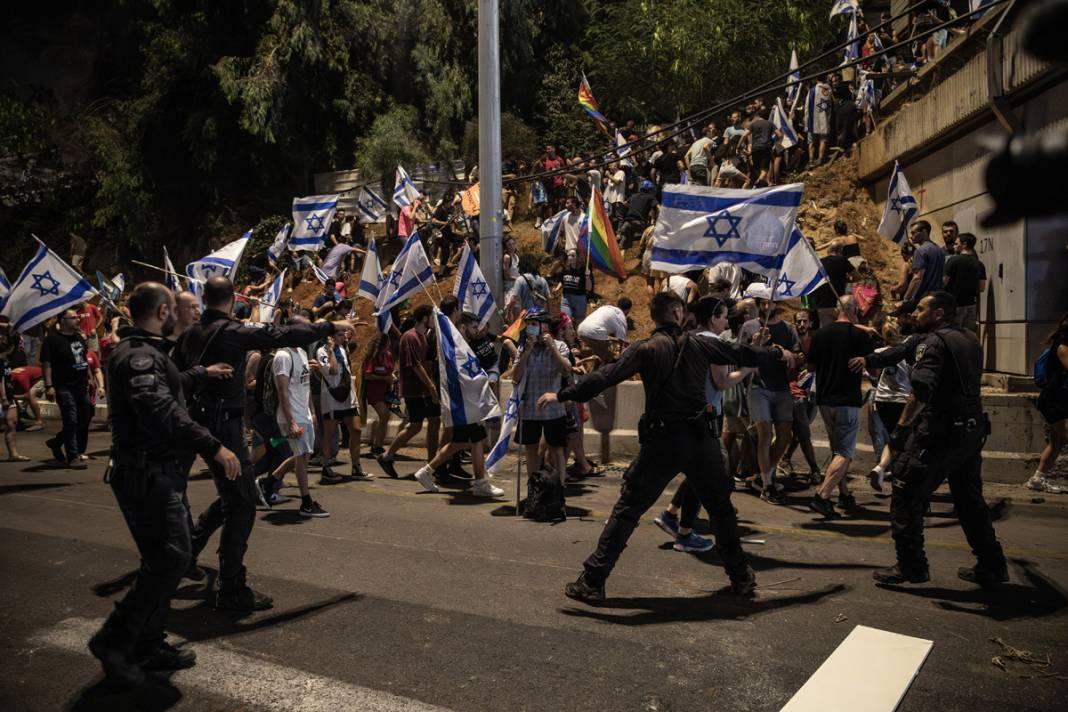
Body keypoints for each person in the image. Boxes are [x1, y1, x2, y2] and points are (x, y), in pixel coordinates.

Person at [544, 291, 794, 602]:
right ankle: (741, 577)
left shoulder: (646, 348)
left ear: (654, 317)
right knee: (721, 511)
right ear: (677, 312)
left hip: (664, 440)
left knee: (628, 511)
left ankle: (593, 580)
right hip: (702, 439)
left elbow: (607, 375)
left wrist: (565, 395)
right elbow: (741, 353)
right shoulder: (701, 343)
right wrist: (777, 355)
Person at [88, 282, 240, 687]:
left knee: (162, 558)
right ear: (160, 312)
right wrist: (215, 446)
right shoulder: (139, 355)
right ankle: (114, 639)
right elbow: (159, 407)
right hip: (146, 474)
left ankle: (148, 643)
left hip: (152, 472)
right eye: (174, 307)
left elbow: (165, 389)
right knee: (173, 557)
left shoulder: (149, 352)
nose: (181, 313)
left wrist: (196, 374)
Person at [176, 276, 354, 611]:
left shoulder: (190, 335)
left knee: (235, 495)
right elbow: (283, 334)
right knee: (242, 503)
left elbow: (175, 375)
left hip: (198, 423)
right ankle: (231, 588)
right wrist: (330, 324)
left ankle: (187, 553)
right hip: (223, 427)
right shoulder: (231, 332)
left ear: (205, 299)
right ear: (231, 299)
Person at [870, 292, 1008, 587]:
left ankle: (911, 567)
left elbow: (921, 389)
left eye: (921, 309)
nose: (915, 314)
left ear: (939, 313)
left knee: (906, 497)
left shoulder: (934, 343)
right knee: (970, 502)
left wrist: (902, 429)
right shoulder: (969, 338)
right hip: (970, 431)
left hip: (939, 433)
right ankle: (992, 565)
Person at [653, 296, 755, 553]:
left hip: (687, 413)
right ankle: (686, 533)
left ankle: (672, 514)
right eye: (722, 317)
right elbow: (721, 382)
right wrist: (747, 370)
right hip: (707, 415)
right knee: (711, 474)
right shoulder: (714, 343)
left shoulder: (688, 337)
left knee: (696, 470)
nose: (725, 321)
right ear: (713, 318)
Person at [805, 296, 878, 519]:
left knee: (838, 449)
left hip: (825, 398)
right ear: (855, 310)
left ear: (836, 310)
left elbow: (810, 365)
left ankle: (844, 493)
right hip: (847, 399)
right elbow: (874, 371)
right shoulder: (860, 336)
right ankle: (823, 496)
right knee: (845, 452)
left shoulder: (820, 335)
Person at [738, 301, 801, 503]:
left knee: (785, 436)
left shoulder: (788, 328)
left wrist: (790, 355)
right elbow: (739, 354)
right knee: (765, 434)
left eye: (771, 301)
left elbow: (799, 356)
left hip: (782, 387)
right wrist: (755, 344)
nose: (767, 304)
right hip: (758, 387)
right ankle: (767, 485)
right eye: (764, 301)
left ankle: (765, 474)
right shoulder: (749, 327)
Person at [511, 307, 573, 512]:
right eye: (529, 325)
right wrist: (527, 352)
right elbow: (515, 377)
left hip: (554, 409)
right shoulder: (524, 348)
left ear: (545, 326)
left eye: (535, 324)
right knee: (531, 451)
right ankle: (533, 491)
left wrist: (552, 347)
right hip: (530, 409)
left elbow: (566, 369)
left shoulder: (561, 346)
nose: (531, 328)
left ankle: (559, 493)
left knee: (556, 450)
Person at [375, 305, 440, 480]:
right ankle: (387, 455)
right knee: (415, 425)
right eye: (432, 317)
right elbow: (416, 365)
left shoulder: (424, 337)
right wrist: (431, 386)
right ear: (425, 318)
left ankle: (431, 464)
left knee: (434, 422)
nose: (435, 321)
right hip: (415, 390)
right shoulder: (410, 337)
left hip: (424, 389)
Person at [274, 318, 330, 517]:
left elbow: (304, 387)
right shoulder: (283, 355)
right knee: (301, 458)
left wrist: (312, 412)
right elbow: (282, 392)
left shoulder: (303, 352)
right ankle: (306, 503)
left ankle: (269, 482)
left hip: (304, 414)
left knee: (304, 455)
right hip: (293, 416)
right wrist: (291, 422)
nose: (309, 331)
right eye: (305, 328)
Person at [316, 329, 371, 483]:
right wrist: (332, 350)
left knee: (356, 429)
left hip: (347, 396)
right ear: (331, 338)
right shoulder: (322, 351)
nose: (344, 337)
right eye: (340, 335)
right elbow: (332, 370)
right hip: (332, 398)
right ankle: (326, 467)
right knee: (330, 433)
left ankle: (356, 466)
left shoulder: (342, 348)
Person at [41, 309, 91, 469]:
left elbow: (84, 359)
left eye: (78, 317)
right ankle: (73, 456)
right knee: (71, 419)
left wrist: (89, 377)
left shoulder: (78, 338)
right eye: (73, 318)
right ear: (62, 320)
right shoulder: (52, 340)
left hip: (81, 385)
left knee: (85, 417)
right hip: (63, 386)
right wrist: (49, 386)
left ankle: (56, 442)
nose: (78, 320)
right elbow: (46, 364)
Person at [1029, 314, 1068, 494]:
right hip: (1056, 400)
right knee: (1061, 437)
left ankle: (1038, 478)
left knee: (1057, 441)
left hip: (1057, 398)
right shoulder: (1063, 347)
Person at [943, 232, 986, 334]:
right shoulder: (979, 264)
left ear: (964, 244)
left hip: (954, 305)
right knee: (968, 336)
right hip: (971, 305)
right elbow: (982, 288)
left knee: (952, 335)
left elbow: (944, 282)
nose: (954, 246)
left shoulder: (953, 261)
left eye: (956, 244)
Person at [362, 333, 396, 458]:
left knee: (386, 418)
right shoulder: (372, 357)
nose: (389, 345)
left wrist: (391, 377)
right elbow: (367, 375)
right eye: (387, 343)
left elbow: (390, 371)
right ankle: (377, 445)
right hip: (374, 392)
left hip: (386, 391)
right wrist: (384, 378)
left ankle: (378, 444)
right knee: (384, 415)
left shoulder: (388, 355)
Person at [811, 240, 855, 328]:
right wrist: (846, 280)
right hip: (840, 304)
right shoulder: (842, 260)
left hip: (823, 304)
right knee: (845, 331)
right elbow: (857, 277)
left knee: (828, 333)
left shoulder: (819, 262)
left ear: (828, 250)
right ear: (840, 251)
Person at [576, 298, 632, 366]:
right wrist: (620, 354)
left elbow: (604, 332)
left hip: (581, 329)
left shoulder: (606, 308)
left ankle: (582, 355)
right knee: (610, 360)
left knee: (598, 352)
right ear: (628, 310)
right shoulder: (621, 317)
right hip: (594, 333)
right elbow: (621, 342)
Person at [901, 220, 945, 306]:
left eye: (914, 233)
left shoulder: (920, 251)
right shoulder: (940, 250)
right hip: (937, 297)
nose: (911, 236)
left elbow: (917, 278)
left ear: (924, 232)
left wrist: (905, 299)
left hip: (923, 298)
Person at [0, 332, 28, 461]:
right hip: (3, 397)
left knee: (12, 423)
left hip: (9, 396)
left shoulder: (6, 360)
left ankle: (13, 454)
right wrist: (4, 398)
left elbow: (7, 379)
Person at [619, 180, 657, 249]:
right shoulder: (650, 197)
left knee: (623, 247)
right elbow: (658, 208)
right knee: (649, 234)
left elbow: (624, 204)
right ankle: (642, 247)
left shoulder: (633, 195)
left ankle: (619, 259)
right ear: (650, 189)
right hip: (640, 223)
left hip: (627, 223)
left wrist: (633, 207)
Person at [558, 249, 594, 322]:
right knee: (566, 321)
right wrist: (557, 287)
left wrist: (587, 277)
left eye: (573, 256)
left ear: (578, 258)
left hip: (579, 300)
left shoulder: (584, 270)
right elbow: (562, 281)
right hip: (566, 299)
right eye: (569, 255)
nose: (570, 257)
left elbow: (589, 288)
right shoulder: (565, 269)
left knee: (579, 323)